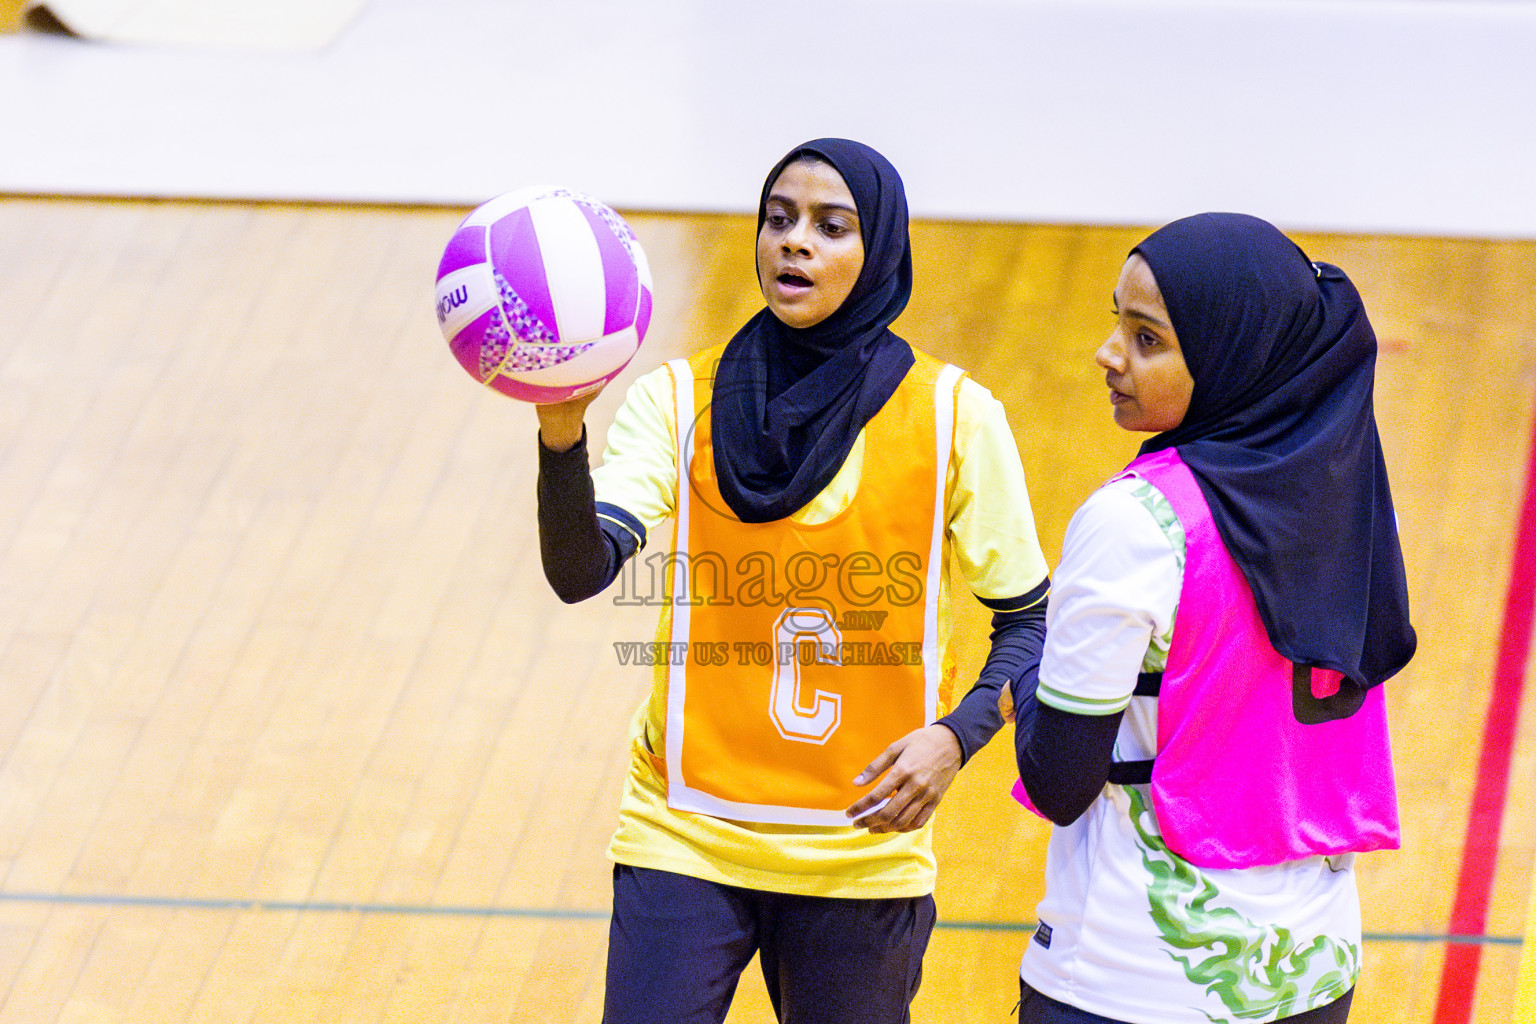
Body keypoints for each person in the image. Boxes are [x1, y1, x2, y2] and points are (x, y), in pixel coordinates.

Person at [533, 138, 1052, 1024]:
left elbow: (1032, 625)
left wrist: (957, 738)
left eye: (830, 226)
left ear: (880, 252)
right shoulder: (677, 399)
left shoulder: (955, 416)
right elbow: (581, 571)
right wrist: (560, 435)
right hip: (683, 836)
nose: (794, 242)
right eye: (778, 220)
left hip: (861, 854)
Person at [1008, 212, 1416, 1024]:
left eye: (1147, 339)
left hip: (1129, 973)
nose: (1108, 354)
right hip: (1310, 972)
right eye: (1118, 323)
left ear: (1233, 356)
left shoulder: (1135, 522)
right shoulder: (1351, 507)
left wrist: (1025, 664)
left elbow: (1059, 780)